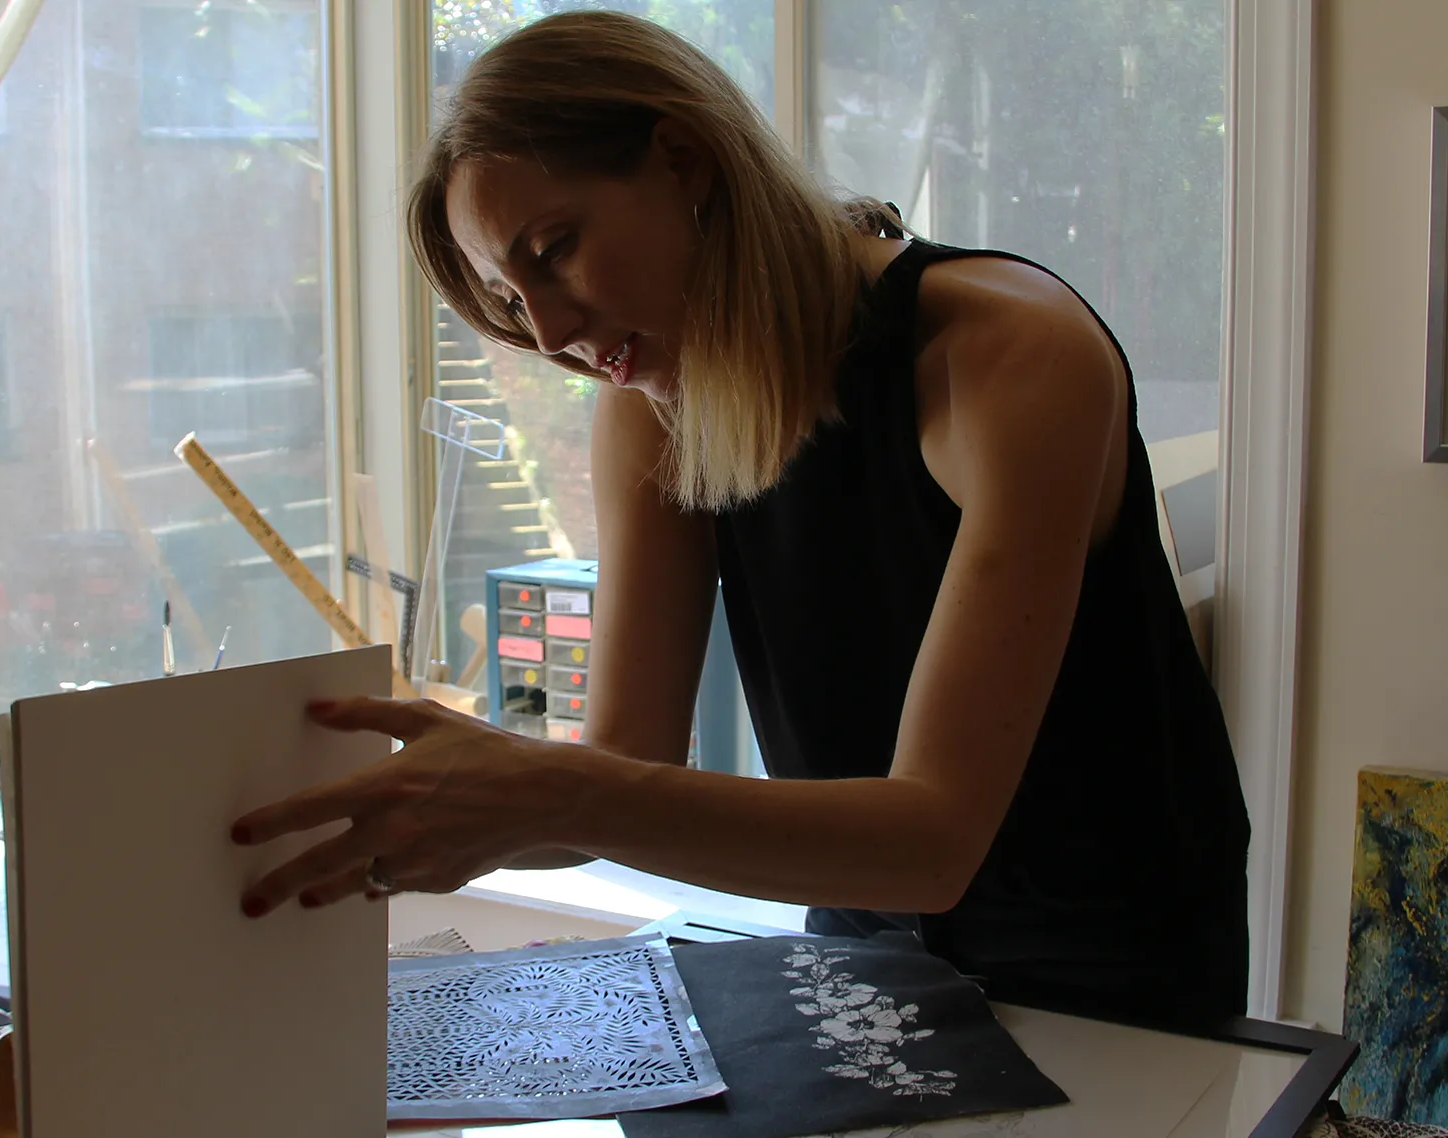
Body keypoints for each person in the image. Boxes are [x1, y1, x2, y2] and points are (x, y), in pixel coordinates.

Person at [229, 10, 1252, 1025]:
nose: (549, 332)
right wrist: (387, 805)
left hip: (1114, 966)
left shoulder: (1008, 358)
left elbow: (933, 840)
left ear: (685, 157)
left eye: (555, 249)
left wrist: (535, 790)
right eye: (507, 297)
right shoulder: (649, 406)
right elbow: (626, 758)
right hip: (867, 948)